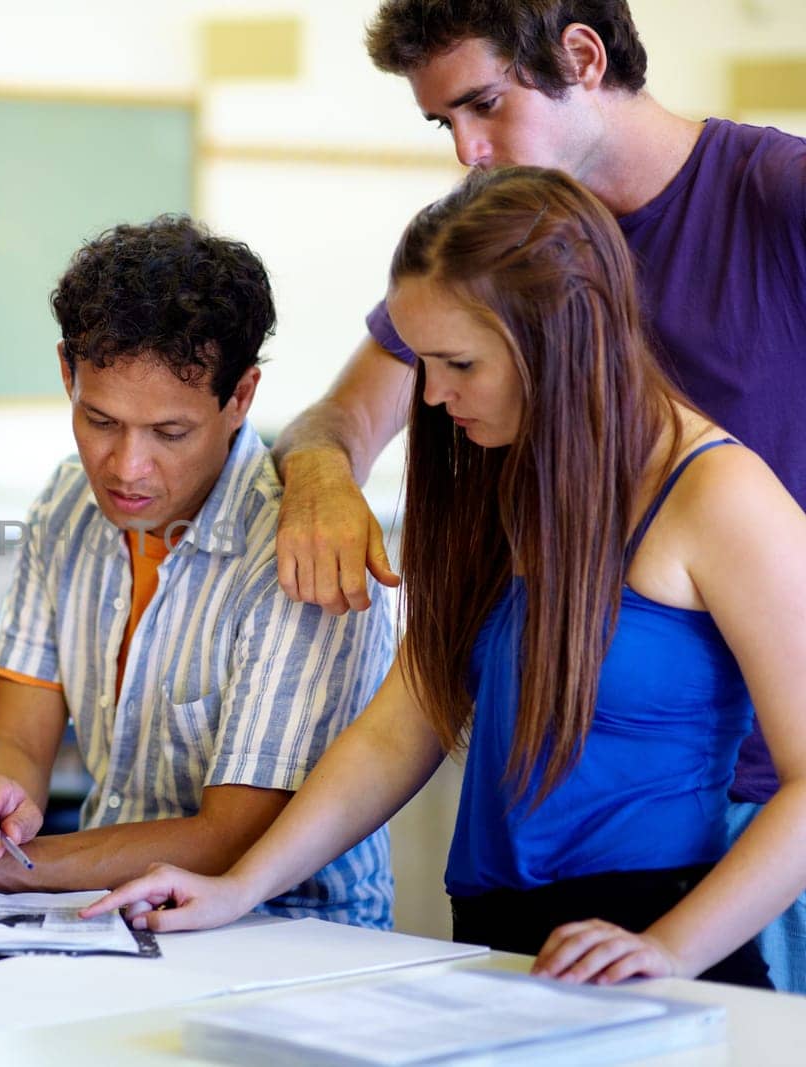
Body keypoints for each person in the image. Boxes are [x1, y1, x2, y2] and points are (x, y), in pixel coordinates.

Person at [88, 168, 806, 989]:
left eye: (459, 363)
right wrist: (239, 886)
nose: (433, 395)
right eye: (423, 362)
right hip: (498, 945)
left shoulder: (718, 493)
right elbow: (406, 720)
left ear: (559, 337)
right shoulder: (510, 472)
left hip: (655, 947)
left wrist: (673, 948)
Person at [270, 0, 806, 991]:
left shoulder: (776, 193)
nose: (469, 152)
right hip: (543, 862)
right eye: (443, 124)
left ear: (582, 56)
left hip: (756, 805)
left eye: (483, 106)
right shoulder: (488, 267)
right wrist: (321, 477)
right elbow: (336, 421)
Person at [0, 216, 397, 928]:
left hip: (291, 943)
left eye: (169, 433)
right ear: (66, 373)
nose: (125, 467)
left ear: (240, 398)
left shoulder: (296, 552)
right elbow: (16, 736)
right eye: (100, 420)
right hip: (108, 923)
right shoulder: (65, 508)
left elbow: (228, 837)